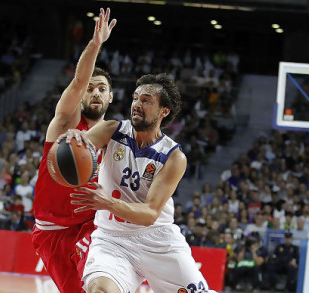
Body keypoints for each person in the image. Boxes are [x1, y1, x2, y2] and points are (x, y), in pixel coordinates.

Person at [69, 73, 214, 292]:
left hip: (158, 241)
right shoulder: (112, 131)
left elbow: (149, 214)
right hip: (112, 238)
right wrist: (69, 143)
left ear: (164, 111)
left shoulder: (173, 157)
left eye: (146, 100)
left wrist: (107, 203)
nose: (137, 104)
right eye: (135, 98)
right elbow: (76, 149)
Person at [30, 7, 116, 293]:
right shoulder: (66, 124)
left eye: (102, 89)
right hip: (50, 231)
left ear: (111, 97)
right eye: (91, 89)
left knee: (99, 284)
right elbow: (79, 81)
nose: (95, 93)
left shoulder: (115, 141)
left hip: (90, 227)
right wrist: (95, 45)